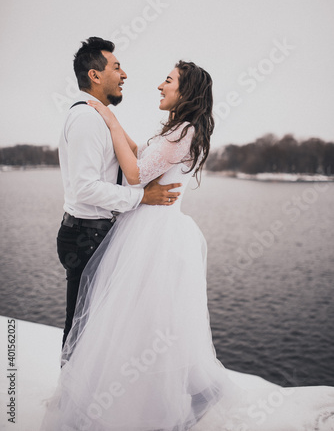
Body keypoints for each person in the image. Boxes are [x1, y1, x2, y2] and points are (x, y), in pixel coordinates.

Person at [42, 61, 334, 430]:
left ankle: (154, 402)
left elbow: (134, 174)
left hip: (152, 236)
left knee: (140, 322)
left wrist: (110, 121)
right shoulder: (178, 131)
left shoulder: (183, 132)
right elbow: (139, 154)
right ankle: (139, 394)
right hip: (148, 230)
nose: (160, 86)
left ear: (186, 91)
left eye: (168, 81)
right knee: (137, 323)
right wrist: (110, 122)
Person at [57, 37, 181, 347]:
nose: (124, 74)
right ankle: (70, 395)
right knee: (81, 328)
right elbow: (85, 188)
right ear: (94, 75)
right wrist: (142, 197)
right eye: (116, 67)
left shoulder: (99, 117)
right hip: (86, 236)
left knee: (100, 327)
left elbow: (134, 157)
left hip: (96, 233)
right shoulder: (86, 120)